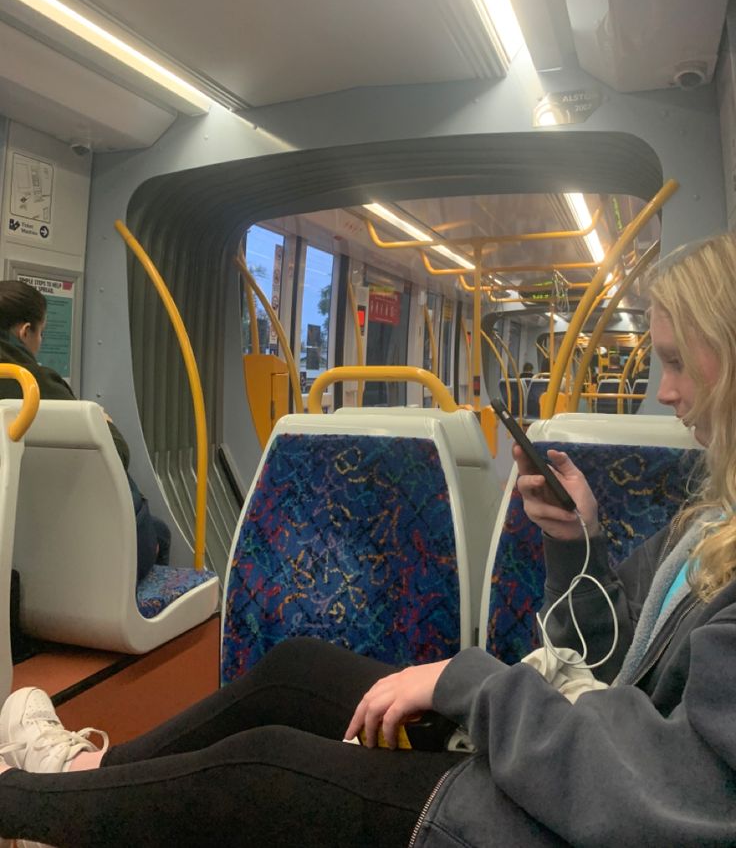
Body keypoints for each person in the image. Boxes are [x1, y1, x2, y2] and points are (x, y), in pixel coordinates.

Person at [0, 231, 735, 847]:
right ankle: (79, 775)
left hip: (566, 813)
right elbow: (608, 658)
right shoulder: (712, 521)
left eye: (674, 360)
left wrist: (466, 682)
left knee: (269, 768)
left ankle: (27, 804)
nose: (664, 392)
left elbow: (681, 795)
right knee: (296, 669)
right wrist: (578, 540)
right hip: (573, 756)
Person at [0, 280, 170, 582]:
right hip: (67, 543)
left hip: (15, 541)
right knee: (161, 533)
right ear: (25, 332)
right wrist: (103, 422)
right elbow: (117, 454)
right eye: (41, 332)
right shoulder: (34, 385)